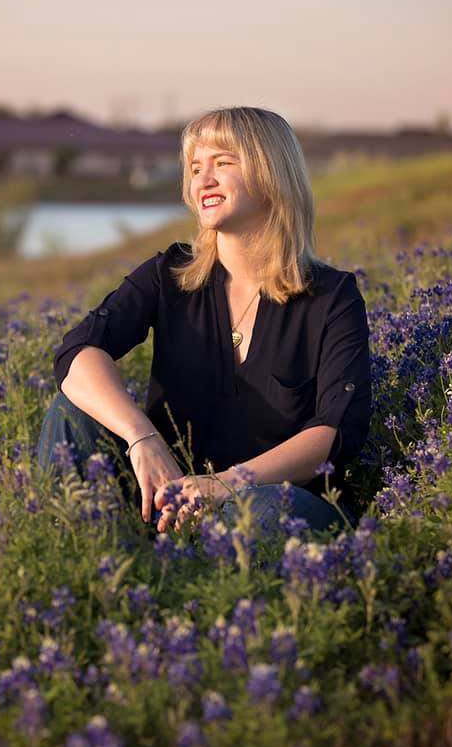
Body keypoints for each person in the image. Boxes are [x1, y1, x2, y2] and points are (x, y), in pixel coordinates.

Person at [37, 106, 371, 535]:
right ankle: (92, 576)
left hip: (275, 504)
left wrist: (226, 485)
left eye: (223, 163)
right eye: (196, 167)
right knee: (71, 412)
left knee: (263, 510)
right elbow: (78, 353)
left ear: (271, 174)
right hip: (167, 501)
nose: (203, 180)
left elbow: (333, 431)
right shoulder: (169, 275)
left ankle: (182, 579)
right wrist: (143, 438)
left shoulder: (331, 297)